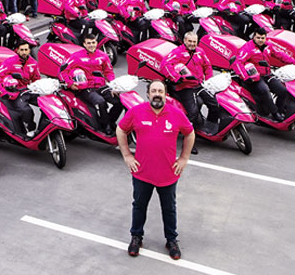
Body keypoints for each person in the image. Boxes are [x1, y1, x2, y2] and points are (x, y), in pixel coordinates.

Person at [117, 80, 194, 260]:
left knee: (169, 209)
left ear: (166, 94)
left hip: (168, 174)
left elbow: (190, 133)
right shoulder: (136, 112)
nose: (157, 94)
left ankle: (171, 240)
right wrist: (127, 155)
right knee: (139, 206)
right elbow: (121, 130)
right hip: (142, 172)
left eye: (160, 90)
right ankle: (136, 237)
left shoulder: (176, 114)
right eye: (154, 91)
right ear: (148, 94)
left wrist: (184, 158)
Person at [60, 34, 121, 135]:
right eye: (88, 43)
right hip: (86, 88)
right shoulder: (76, 57)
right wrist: (70, 84)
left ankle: (109, 121)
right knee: (100, 102)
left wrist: (113, 86)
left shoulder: (103, 55)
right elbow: (62, 71)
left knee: (119, 102)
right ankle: (106, 127)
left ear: (96, 43)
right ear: (84, 44)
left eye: (93, 43)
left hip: (101, 86)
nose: (91, 45)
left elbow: (109, 72)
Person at [160, 32, 221, 135]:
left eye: (194, 42)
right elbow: (165, 65)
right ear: (184, 41)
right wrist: (176, 77)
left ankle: (210, 127)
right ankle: (188, 137)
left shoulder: (200, 51)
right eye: (190, 41)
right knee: (192, 112)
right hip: (186, 87)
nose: (192, 44)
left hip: (199, 84)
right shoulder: (177, 52)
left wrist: (209, 80)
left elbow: (208, 66)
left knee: (215, 105)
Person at [232, 30, 295, 121]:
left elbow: (280, 55)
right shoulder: (248, 48)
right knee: (265, 90)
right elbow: (237, 63)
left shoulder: (268, 46)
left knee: (283, 91)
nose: (260, 40)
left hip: (267, 74)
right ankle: (275, 113)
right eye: (258, 38)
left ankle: (280, 111)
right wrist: (245, 77)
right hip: (255, 77)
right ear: (254, 37)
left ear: (265, 38)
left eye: (262, 38)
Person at [0, 41, 40, 137]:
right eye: (22, 50)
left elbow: (37, 79)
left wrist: (38, 88)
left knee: (46, 104)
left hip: (29, 90)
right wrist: (2, 92)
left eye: (26, 50)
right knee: (27, 110)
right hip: (16, 93)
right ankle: (30, 129)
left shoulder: (33, 63)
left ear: (29, 50)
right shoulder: (10, 62)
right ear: (17, 50)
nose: (24, 52)